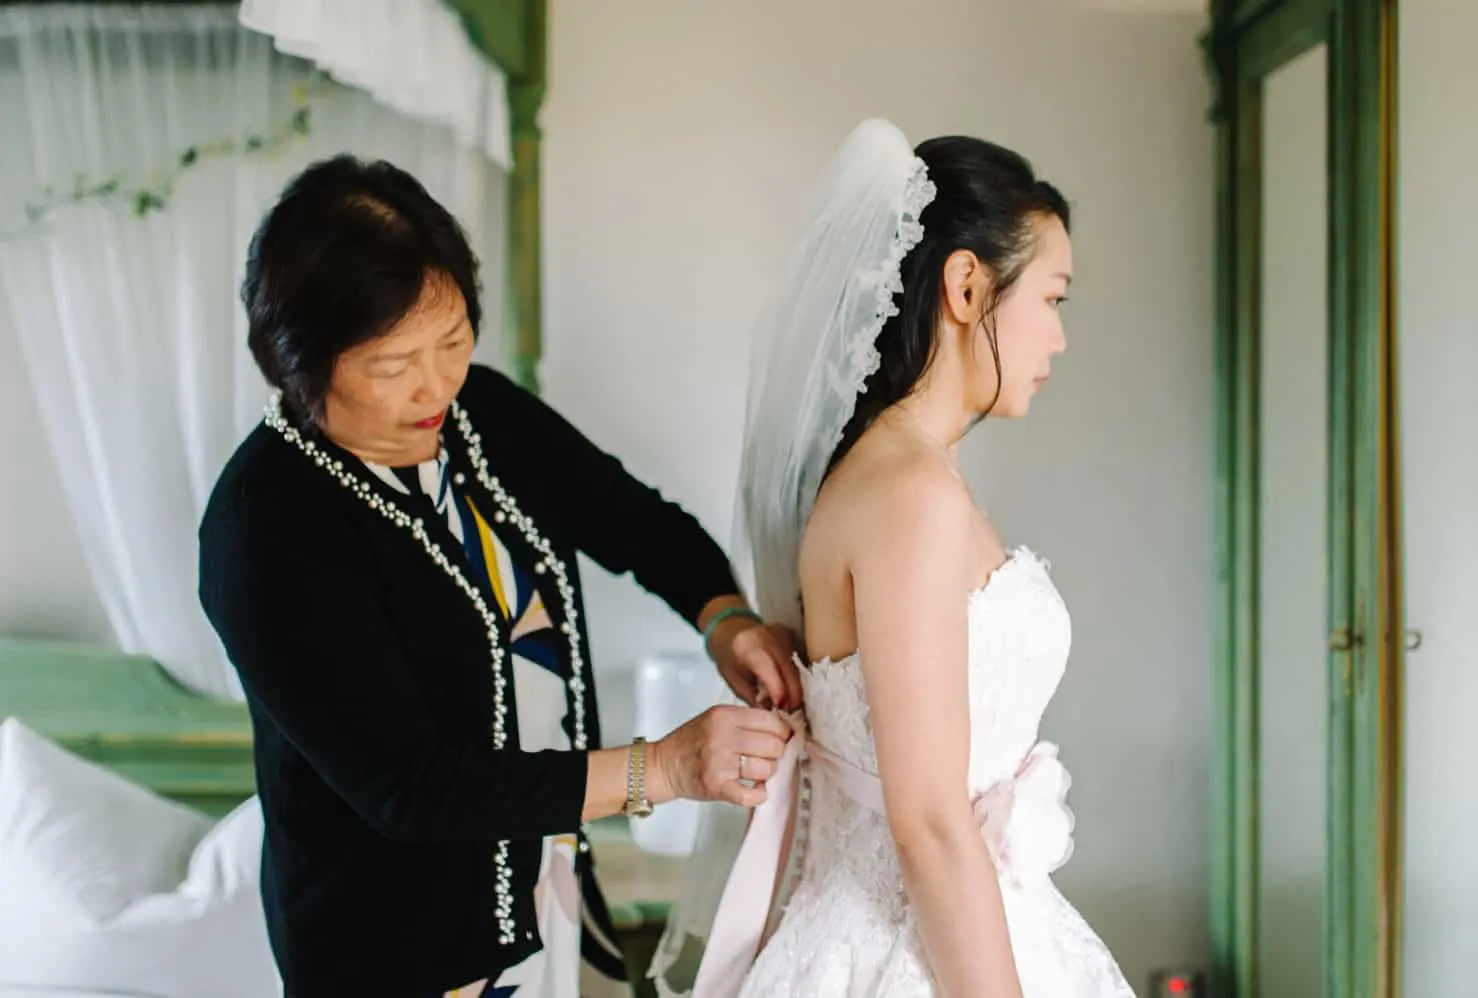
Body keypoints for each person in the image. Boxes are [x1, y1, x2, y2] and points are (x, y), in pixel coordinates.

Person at [197, 155, 799, 998]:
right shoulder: (266, 524)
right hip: (397, 952)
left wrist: (724, 619)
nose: (436, 383)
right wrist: (661, 769)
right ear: (300, 362)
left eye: (452, 340)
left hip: (551, 891)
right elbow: (411, 788)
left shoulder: (483, 417)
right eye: (392, 363)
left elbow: (638, 524)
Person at [648, 119, 1135, 997]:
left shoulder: (892, 474)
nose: (1058, 337)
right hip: (904, 953)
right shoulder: (911, 497)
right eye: (1053, 299)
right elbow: (928, 821)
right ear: (965, 284)